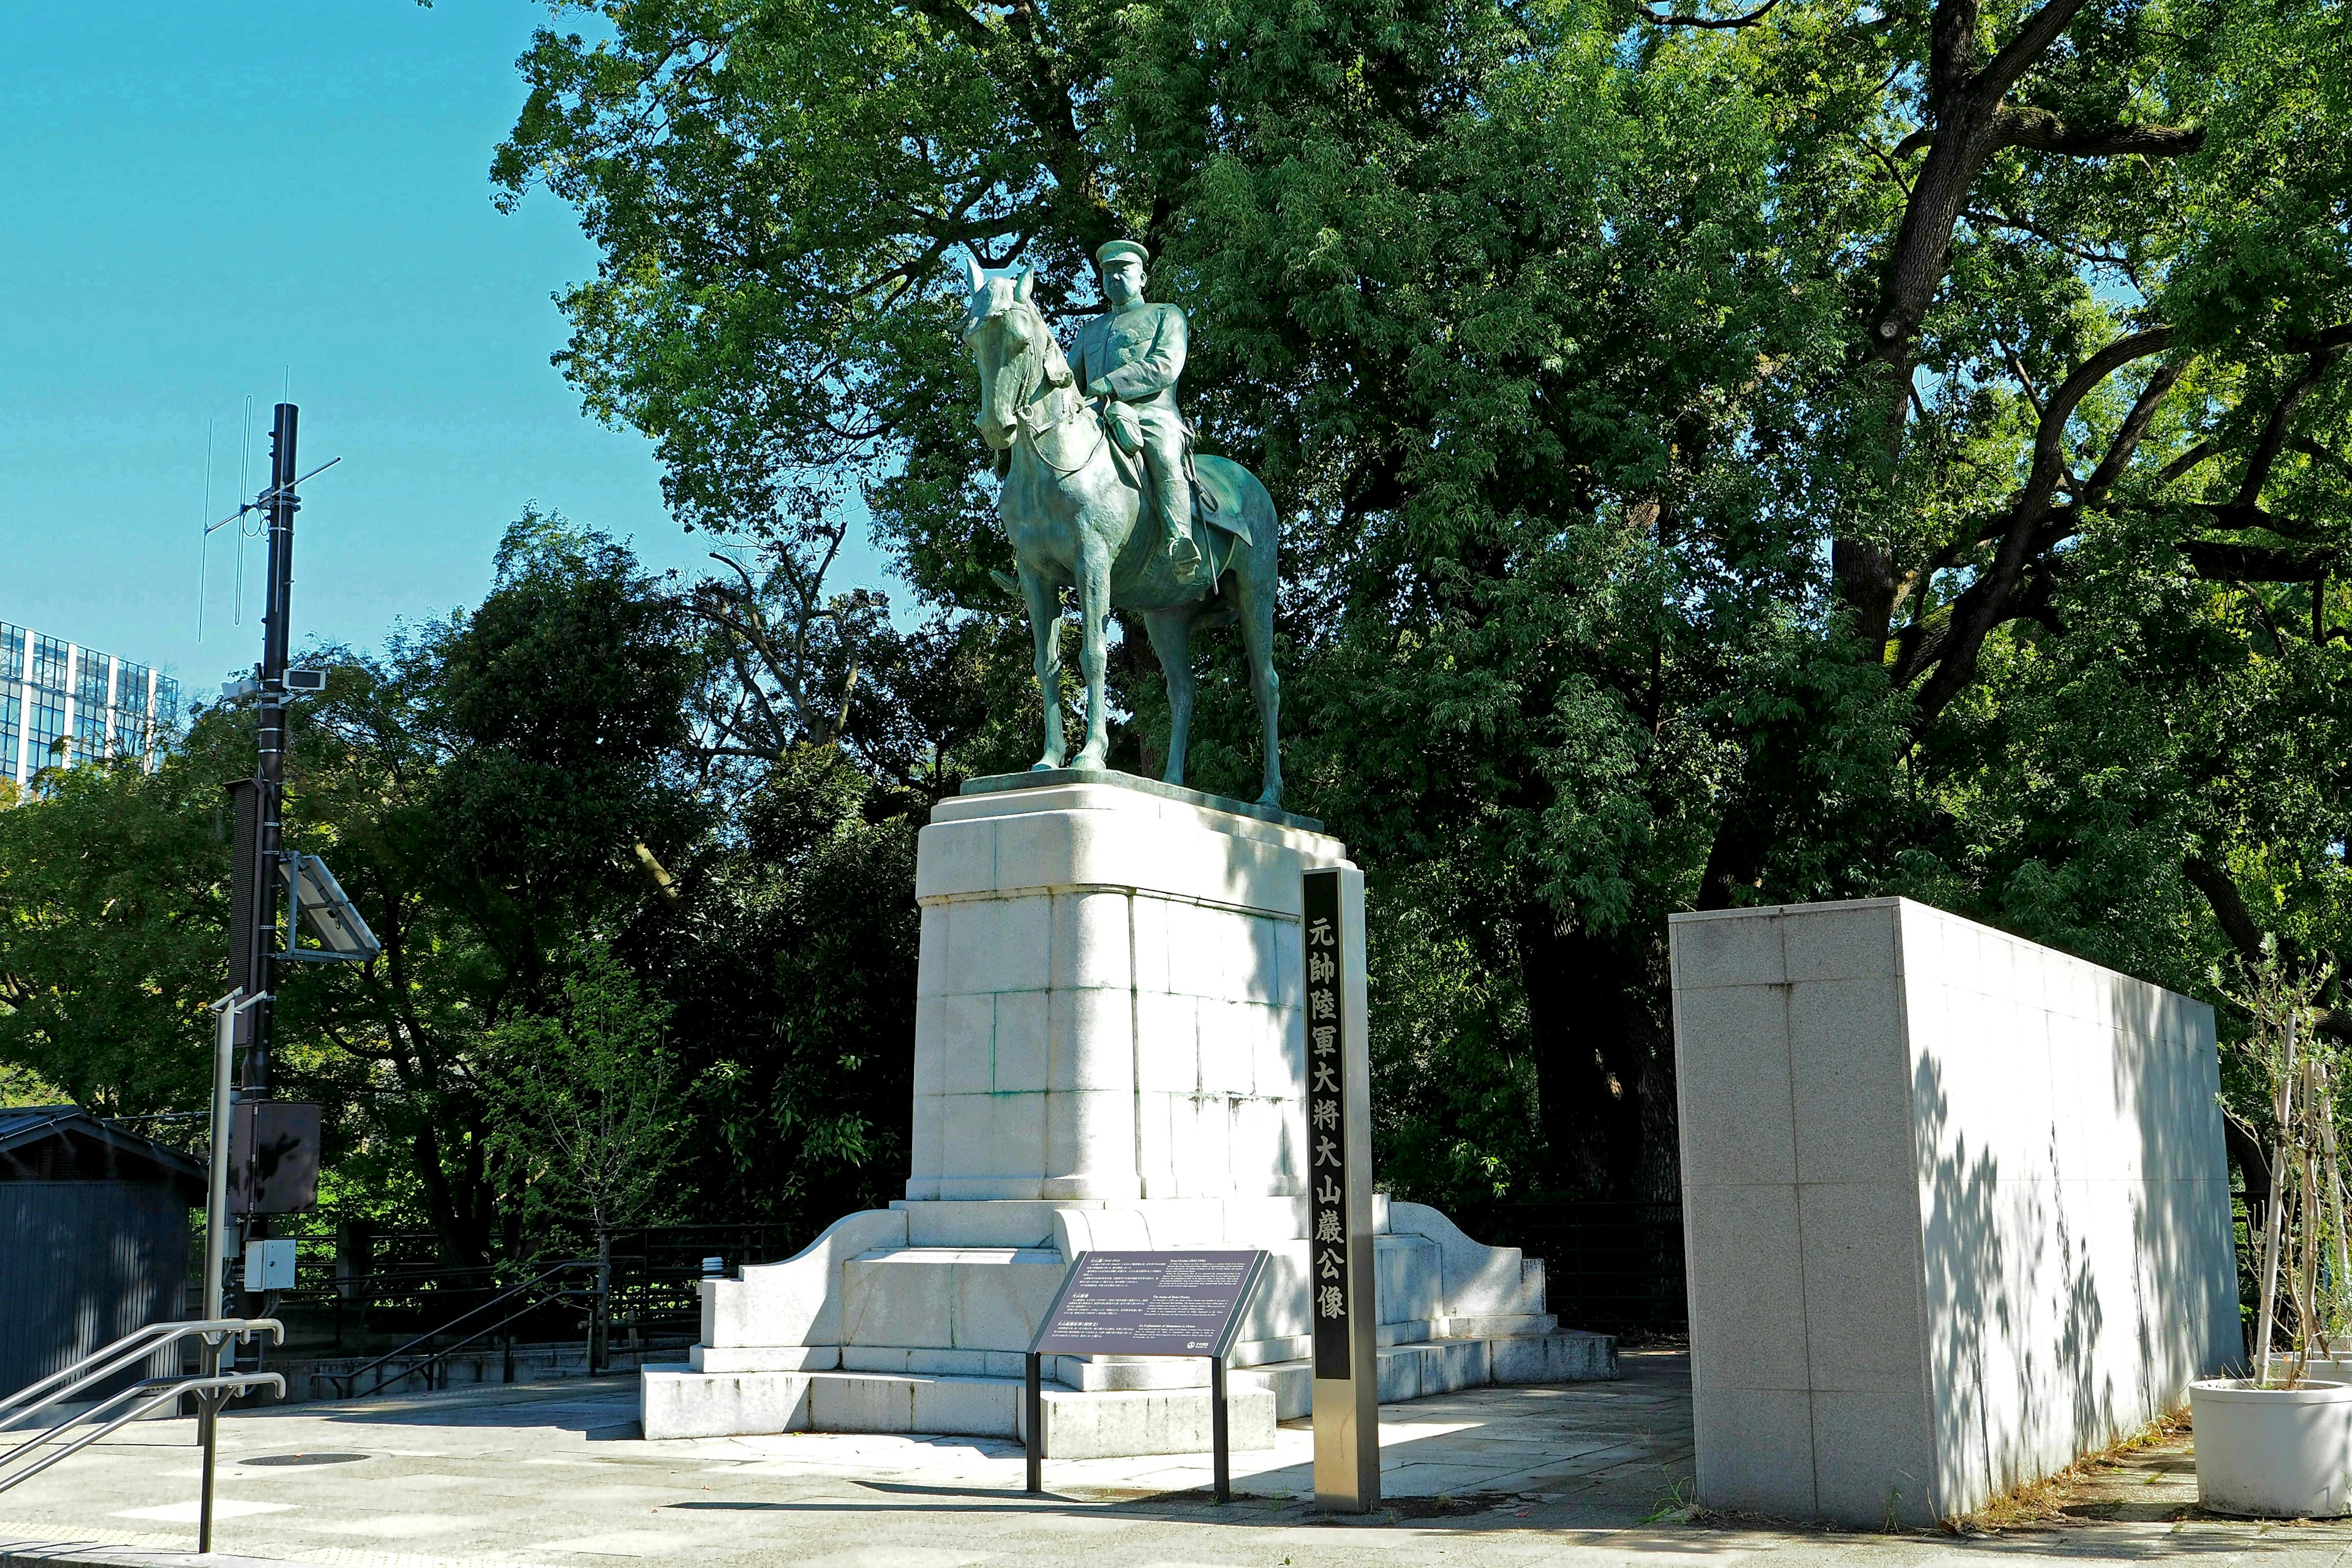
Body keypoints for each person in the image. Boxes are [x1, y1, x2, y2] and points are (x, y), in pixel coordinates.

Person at [1070, 239, 1202, 584]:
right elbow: (1069, 381)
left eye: (1123, 270)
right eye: (1108, 272)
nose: (1114, 278)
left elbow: (1165, 365)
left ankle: (1179, 541)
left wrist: (1111, 383)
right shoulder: (1090, 331)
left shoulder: (1166, 315)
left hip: (1151, 413)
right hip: (1093, 417)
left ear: (1142, 277)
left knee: (1164, 450)